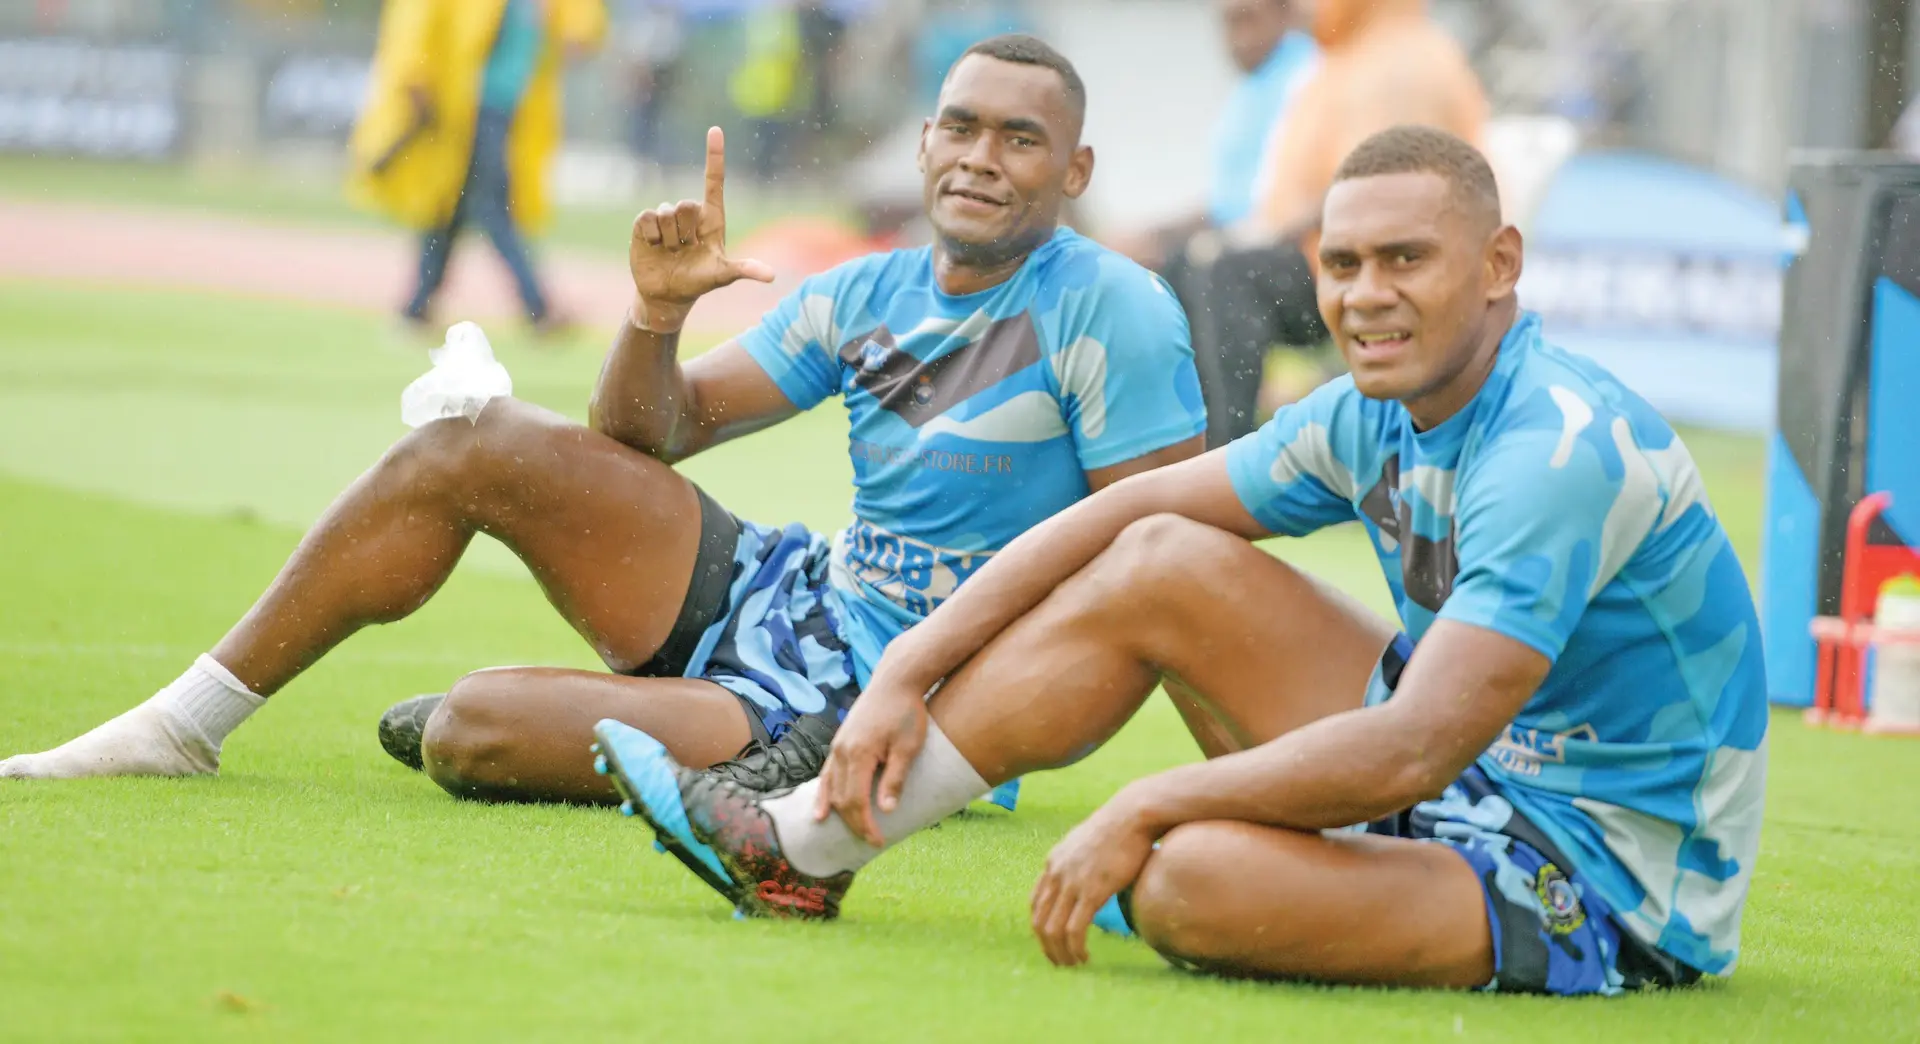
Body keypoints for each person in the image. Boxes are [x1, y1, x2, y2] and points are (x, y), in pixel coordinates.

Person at [595, 126, 1769, 996]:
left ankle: (1284, 871)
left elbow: (1419, 741)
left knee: (1186, 886)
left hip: (1602, 876)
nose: (1367, 298)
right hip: (1462, 778)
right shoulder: (1371, 410)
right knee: (1164, 553)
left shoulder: (1553, 449)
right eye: (1344, 264)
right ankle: (804, 848)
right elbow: (1119, 521)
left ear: (1500, 264)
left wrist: (1152, 801)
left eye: (1406, 261)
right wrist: (904, 669)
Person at [1, 36, 1208, 812]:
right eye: (960, 127)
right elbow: (653, 434)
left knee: (471, 732)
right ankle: (183, 727)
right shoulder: (866, 288)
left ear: (1076, 170)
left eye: (1021, 139)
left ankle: (691, 743)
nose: (980, 158)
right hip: (794, 600)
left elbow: (1158, 574)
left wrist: (943, 741)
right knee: (466, 441)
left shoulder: (1111, 311)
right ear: (927, 138)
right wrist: (654, 315)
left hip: (888, 699)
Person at [1192, 0, 1488, 446]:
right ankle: (1184, 447)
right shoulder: (1350, 53)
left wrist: (1267, 234)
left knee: (1232, 274)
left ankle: (1222, 453)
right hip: (1329, 250)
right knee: (1185, 267)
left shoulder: (1400, 61)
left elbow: (1379, 191)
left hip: (1372, 266)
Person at [345, 0, 607, 337]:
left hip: (510, 109)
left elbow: (579, 26)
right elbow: (417, 18)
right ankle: (537, 306)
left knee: (451, 208)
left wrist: (578, 33)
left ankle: (417, 308)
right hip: (467, 105)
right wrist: (415, 74)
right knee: (492, 206)